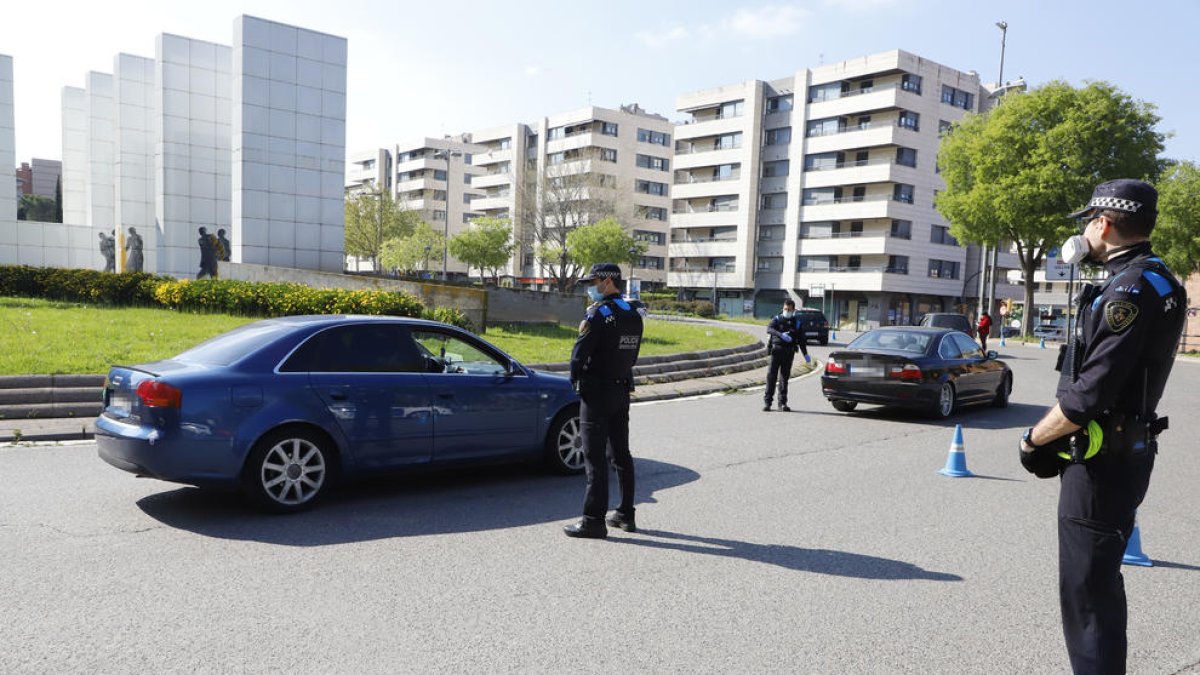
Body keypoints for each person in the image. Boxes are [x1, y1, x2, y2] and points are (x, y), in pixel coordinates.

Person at [1018, 179, 1185, 675]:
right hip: (1121, 454)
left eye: (1089, 221)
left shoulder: (1128, 289)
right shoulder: (1156, 279)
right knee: (1098, 590)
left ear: (1103, 223)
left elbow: (1088, 394)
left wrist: (1033, 439)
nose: (1085, 231)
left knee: (1088, 596)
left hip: (1100, 462)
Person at [563, 262, 646, 539]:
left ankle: (593, 520)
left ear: (608, 281)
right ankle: (625, 513)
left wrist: (576, 380)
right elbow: (632, 356)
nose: (592, 286)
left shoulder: (598, 314)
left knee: (595, 457)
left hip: (597, 393)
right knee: (621, 454)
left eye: (595, 281)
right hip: (622, 390)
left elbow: (578, 355)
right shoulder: (633, 313)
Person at [763, 298, 809, 412]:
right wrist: (780, 334)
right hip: (776, 351)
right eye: (785, 309)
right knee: (771, 377)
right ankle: (767, 403)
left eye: (789, 309)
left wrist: (806, 354)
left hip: (789, 353)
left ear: (793, 310)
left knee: (784, 379)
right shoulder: (777, 319)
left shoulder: (797, 323)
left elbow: (802, 340)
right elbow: (769, 329)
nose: (786, 311)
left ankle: (782, 403)